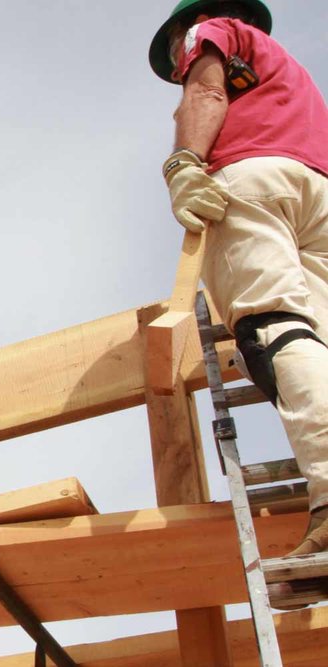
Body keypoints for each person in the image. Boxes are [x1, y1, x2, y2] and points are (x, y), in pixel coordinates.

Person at [150, 0, 328, 559]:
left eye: (177, 49)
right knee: (317, 342)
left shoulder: (212, 32)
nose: (180, 59)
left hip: (253, 182)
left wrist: (184, 162)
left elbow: (204, 94)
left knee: (274, 329)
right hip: (315, 191)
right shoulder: (289, 70)